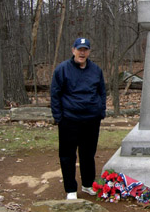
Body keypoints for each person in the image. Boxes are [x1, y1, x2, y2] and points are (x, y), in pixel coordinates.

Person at [51, 37, 106, 200]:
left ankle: (88, 184)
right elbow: (55, 94)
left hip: (91, 119)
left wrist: (101, 111)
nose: (82, 52)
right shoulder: (62, 69)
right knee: (68, 155)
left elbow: (102, 92)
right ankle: (70, 189)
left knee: (88, 154)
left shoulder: (96, 70)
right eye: (79, 49)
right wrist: (58, 117)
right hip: (69, 119)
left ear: (89, 51)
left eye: (85, 49)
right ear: (73, 50)